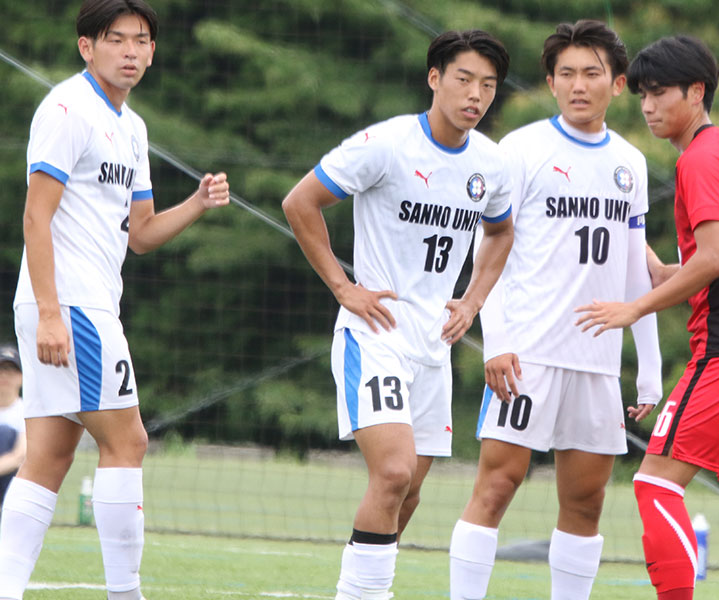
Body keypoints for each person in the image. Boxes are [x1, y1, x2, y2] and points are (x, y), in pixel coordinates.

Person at [0, 1, 230, 599]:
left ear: (153, 51)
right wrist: (51, 314)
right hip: (70, 306)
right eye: (116, 39)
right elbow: (35, 217)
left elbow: (143, 233)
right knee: (128, 441)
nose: (130, 51)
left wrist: (197, 203)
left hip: (80, 304)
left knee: (48, 457)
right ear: (86, 46)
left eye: (141, 40)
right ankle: (125, 594)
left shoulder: (132, 127)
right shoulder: (67, 108)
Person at [282, 29, 514, 600]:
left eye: (488, 85)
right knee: (392, 472)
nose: (476, 95)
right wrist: (344, 287)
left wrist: (473, 300)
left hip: (435, 345)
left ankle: (361, 587)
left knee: (407, 493)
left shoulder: (491, 163)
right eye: (464, 79)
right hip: (375, 334)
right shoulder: (385, 144)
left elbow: (501, 232)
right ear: (434, 78)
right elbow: (300, 201)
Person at [448, 20, 662, 600]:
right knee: (496, 487)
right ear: (550, 82)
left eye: (592, 73)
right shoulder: (521, 150)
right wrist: (496, 343)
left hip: (596, 363)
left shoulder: (630, 162)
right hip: (528, 355)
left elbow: (634, 270)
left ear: (618, 84)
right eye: (566, 73)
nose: (578, 85)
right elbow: (488, 250)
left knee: (587, 502)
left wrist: (648, 369)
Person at [575, 35, 719, 600]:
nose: (648, 107)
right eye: (642, 95)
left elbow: (714, 261)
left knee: (654, 484)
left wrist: (634, 308)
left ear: (696, 92)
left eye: (660, 93)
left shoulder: (699, 159)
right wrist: (654, 269)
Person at [0, 345, 26, 506]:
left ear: (22, 377)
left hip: (11, 483)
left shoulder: (27, 412)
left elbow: (19, 456)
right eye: (1, 369)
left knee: (5, 433)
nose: (4, 375)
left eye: (11, 370)